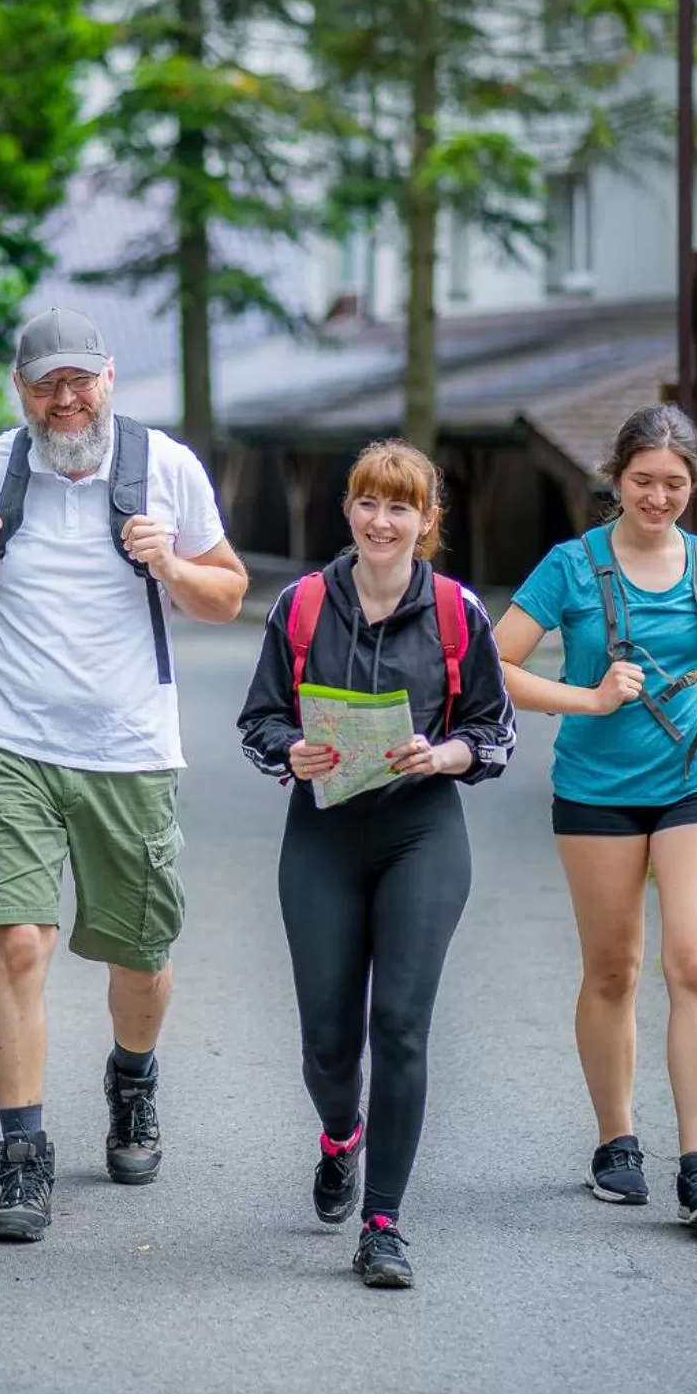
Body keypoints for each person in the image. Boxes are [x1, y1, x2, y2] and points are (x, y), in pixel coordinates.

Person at [0, 305, 248, 1243]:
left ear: (108, 378)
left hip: (129, 748)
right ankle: (23, 1158)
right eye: (45, 384)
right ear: (20, 390)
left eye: (80, 381)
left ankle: (132, 1078)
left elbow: (227, 594)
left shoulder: (165, 469)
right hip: (12, 737)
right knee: (17, 942)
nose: (65, 399)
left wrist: (169, 566)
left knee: (139, 954)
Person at [237, 440, 515, 1291]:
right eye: (367, 503)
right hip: (322, 831)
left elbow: (495, 735)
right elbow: (258, 722)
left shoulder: (459, 613)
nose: (381, 521)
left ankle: (384, 1221)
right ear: (349, 511)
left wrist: (444, 757)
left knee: (397, 1023)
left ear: (427, 522)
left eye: (400, 507)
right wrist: (293, 749)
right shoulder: (303, 604)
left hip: (420, 833)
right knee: (328, 1039)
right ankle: (339, 1136)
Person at [492, 403, 697, 1227]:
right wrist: (588, 696)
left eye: (673, 484)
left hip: (694, 784)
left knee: (695, 966)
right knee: (612, 969)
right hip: (595, 793)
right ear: (615, 480)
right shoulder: (569, 568)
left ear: (694, 486)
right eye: (642, 481)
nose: (656, 497)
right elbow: (492, 664)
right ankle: (617, 1142)